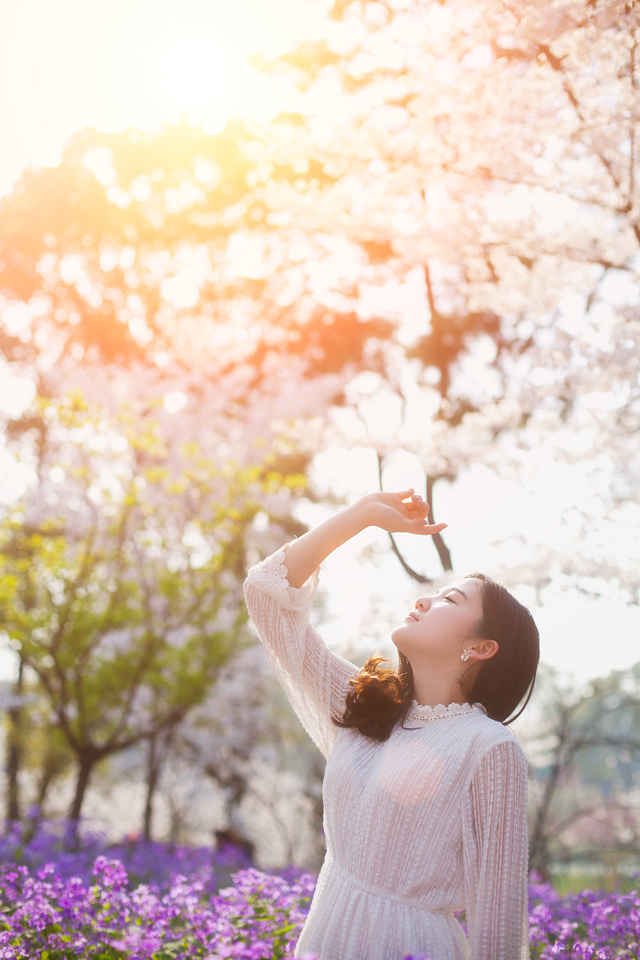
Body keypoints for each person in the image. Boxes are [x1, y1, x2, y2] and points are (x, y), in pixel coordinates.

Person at [243, 489, 539, 960]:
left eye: (450, 599)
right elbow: (265, 592)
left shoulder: (487, 746)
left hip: (412, 945)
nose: (424, 599)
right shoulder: (366, 703)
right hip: (327, 938)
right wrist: (361, 515)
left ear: (481, 648)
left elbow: (499, 918)